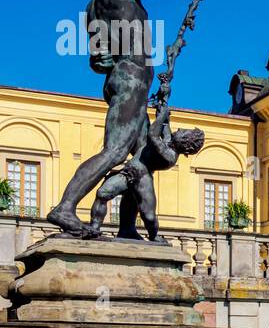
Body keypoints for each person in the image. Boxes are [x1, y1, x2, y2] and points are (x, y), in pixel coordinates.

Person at [46, 0, 214, 235]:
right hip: (132, 79)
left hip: (124, 80)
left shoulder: (93, 8)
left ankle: (127, 228)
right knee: (115, 151)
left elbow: (99, 60)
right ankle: (65, 207)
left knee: (141, 160)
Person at [83, 71, 204, 242]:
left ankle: (155, 236)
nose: (180, 130)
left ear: (186, 143)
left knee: (148, 216)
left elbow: (154, 136)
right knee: (103, 193)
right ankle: (94, 228)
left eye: (184, 132)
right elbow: (165, 121)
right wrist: (164, 93)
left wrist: (161, 117)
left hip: (142, 179)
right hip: (128, 172)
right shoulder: (169, 140)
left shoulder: (170, 156)